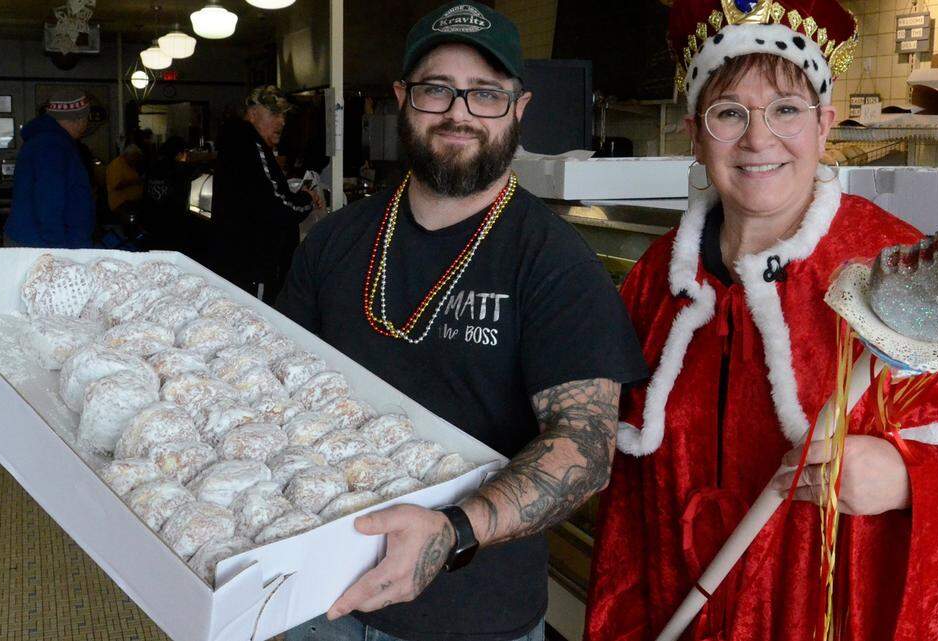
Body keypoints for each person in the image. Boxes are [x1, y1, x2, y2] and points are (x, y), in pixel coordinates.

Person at [585, 1, 938, 640]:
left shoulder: (900, 269)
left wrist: (907, 480)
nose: (759, 139)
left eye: (785, 110)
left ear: (824, 124)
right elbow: (625, 497)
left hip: (830, 615)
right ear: (695, 132)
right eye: (730, 113)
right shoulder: (660, 278)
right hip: (677, 605)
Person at [276, 3, 648, 640]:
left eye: (485, 94)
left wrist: (455, 530)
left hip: (475, 616)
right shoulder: (333, 242)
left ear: (519, 108)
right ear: (403, 99)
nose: (459, 113)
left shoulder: (555, 262)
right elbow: (278, 391)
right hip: (320, 599)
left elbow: (585, 448)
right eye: (436, 90)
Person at [210, 85, 321, 304]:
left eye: (283, 115)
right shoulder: (250, 144)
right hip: (251, 265)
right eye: (274, 114)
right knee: (257, 320)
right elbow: (278, 205)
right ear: (252, 114)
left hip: (233, 260)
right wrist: (307, 199)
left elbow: (258, 196)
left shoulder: (236, 142)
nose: (282, 121)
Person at [4, 89, 94, 248]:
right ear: (78, 119)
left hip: (33, 240)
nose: (87, 124)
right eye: (87, 117)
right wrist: (58, 250)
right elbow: (49, 200)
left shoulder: (44, 141)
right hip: (41, 245)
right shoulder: (53, 146)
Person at [106, 144, 145, 219]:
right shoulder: (116, 165)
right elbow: (117, 185)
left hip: (132, 202)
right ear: (128, 155)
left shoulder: (130, 165)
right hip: (122, 203)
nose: (136, 160)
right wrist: (135, 181)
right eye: (135, 157)